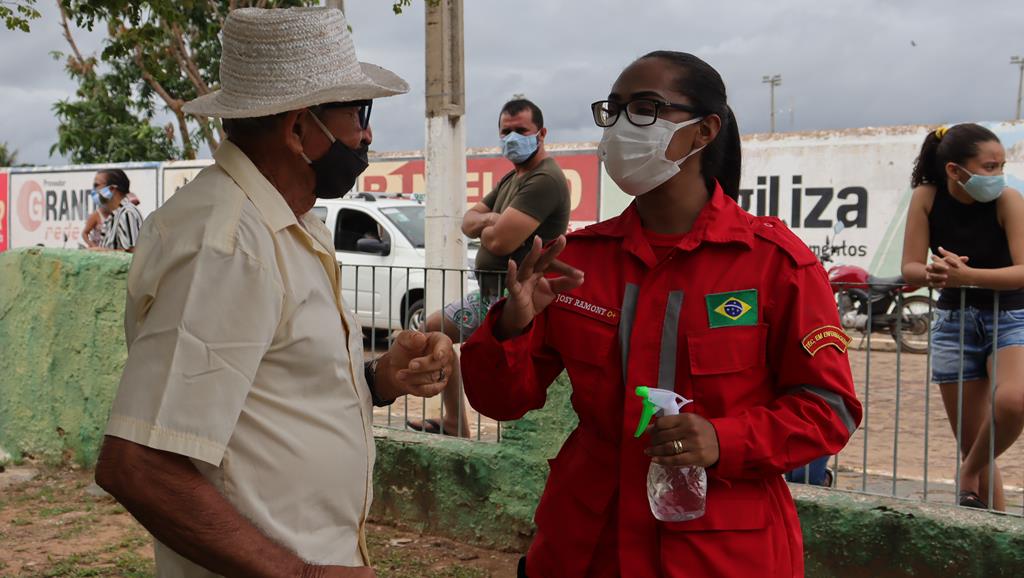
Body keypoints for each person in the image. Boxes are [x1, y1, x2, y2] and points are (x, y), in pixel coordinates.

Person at [460, 51, 862, 577]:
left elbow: (829, 408)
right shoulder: (579, 261)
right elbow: (498, 401)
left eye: (646, 108)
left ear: (704, 131)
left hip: (720, 553)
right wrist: (511, 326)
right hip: (584, 546)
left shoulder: (774, 264)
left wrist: (725, 439)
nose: (625, 125)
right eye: (617, 109)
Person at [94, 8, 455, 577]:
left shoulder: (287, 223)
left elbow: (272, 393)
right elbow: (138, 465)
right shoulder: (230, 244)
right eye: (357, 114)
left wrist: (382, 379)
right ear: (297, 129)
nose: (366, 135)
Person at [408, 98, 570, 437]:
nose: (512, 138)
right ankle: (454, 423)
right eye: (505, 132)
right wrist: (493, 219)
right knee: (430, 331)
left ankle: (471, 428)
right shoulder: (514, 177)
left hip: (514, 302)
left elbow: (499, 243)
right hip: (488, 295)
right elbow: (466, 222)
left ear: (541, 134)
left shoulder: (544, 180)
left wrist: (489, 223)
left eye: (520, 131)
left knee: (490, 367)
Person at [900, 123, 1024, 511]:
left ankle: (967, 471)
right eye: (989, 167)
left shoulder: (1009, 201)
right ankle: (997, 553)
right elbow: (910, 267)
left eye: (1001, 165)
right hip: (954, 323)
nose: (998, 175)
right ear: (955, 170)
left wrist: (966, 276)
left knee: (1015, 402)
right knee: (975, 443)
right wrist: (934, 273)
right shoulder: (926, 197)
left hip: (1011, 316)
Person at [93, 169, 143, 252]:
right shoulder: (113, 216)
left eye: (96, 185)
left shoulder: (127, 213)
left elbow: (132, 254)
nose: (94, 191)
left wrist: (100, 251)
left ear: (112, 188)